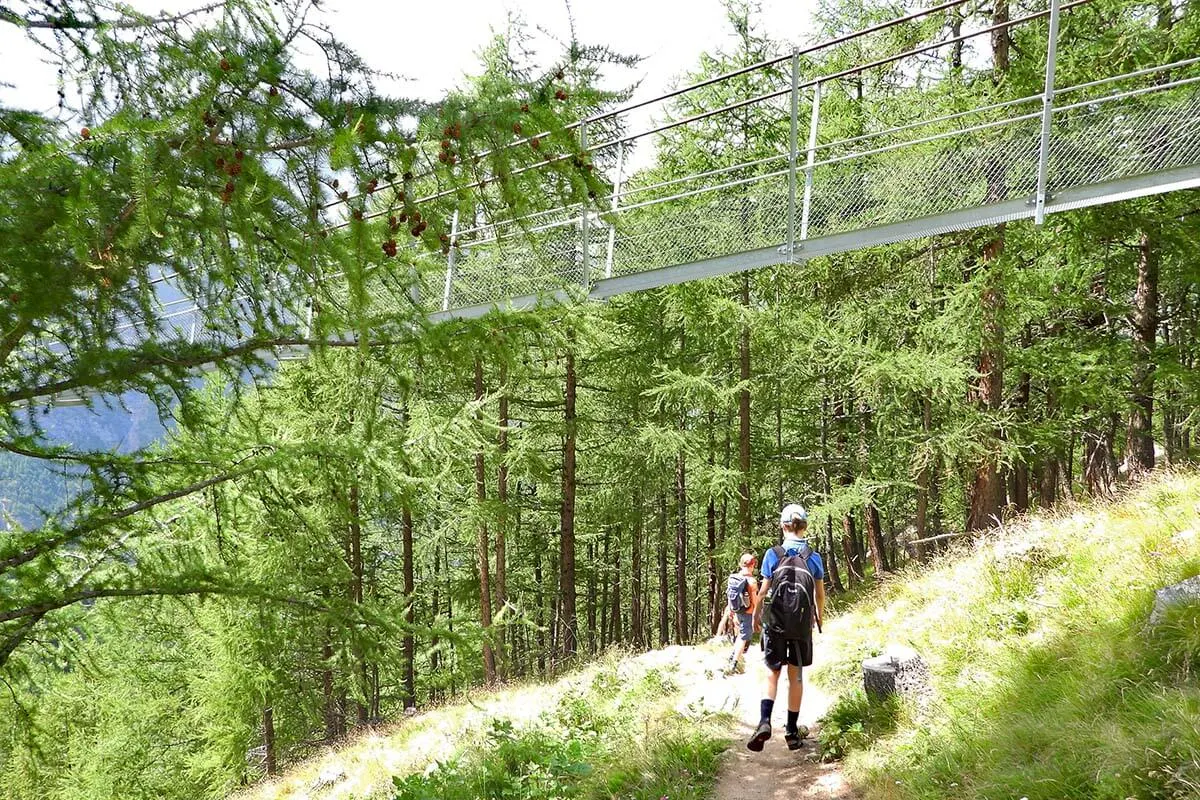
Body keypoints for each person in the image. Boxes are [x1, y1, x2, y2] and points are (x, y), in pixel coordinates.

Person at [747, 503, 825, 752]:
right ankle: (791, 731)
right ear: (805, 527)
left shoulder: (773, 553)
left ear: (783, 526)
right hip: (801, 626)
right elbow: (820, 595)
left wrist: (757, 616)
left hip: (776, 623)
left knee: (772, 673)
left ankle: (765, 721)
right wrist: (819, 617)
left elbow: (762, 591)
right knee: (796, 676)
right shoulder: (813, 557)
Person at [724, 552, 759, 675]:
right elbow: (754, 600)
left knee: (740, 635)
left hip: (737, 610)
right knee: (744, 637)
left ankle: (732, 656)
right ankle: (733, 664)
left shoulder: (734, 578)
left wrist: (732, 612)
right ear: (752, 565)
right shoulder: (752, 581)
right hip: (748, 612)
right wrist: (757, 615)